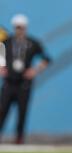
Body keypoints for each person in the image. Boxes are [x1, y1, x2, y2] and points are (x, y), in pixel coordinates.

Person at [0, 14, 51, 144]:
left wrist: (35, 70)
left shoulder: (32, 43)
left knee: (22, 112)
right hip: (9, 82)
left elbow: (46, 59)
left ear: (25, 28)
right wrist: (1, 67)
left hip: (24, 83)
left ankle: (19, 138)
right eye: (17, 27)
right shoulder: (7, 42)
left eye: (21, 27)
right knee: (2, 110)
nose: (19, 30)